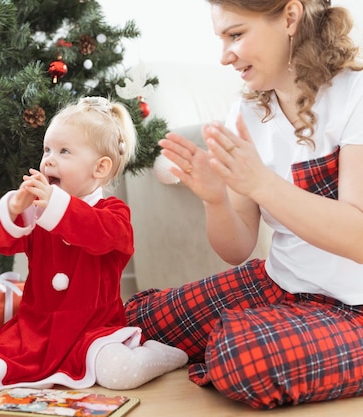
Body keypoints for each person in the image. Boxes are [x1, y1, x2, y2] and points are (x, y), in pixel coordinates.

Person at [124, 0, 363, 410]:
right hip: (281, 285)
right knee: (133, 321)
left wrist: (262, 183)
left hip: (354, 306)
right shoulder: (249, 110)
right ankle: (275, 331)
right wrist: (215, 198)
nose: (224, 56)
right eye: (221, 38)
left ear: (290, 17)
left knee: (242, 357)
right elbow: (236, 250)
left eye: (236, 35)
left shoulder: (354, 95)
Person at [0, 96, 189, 402]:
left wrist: (56, 207)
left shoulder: (113, 213)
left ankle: (161, 355)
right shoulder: (37, 211)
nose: (49, 159)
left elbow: (99, 234)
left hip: (93, 331)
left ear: (100, 168)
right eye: (47, 149)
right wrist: (12, 208)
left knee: (120, 373)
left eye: (64, 151)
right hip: (35, 328)